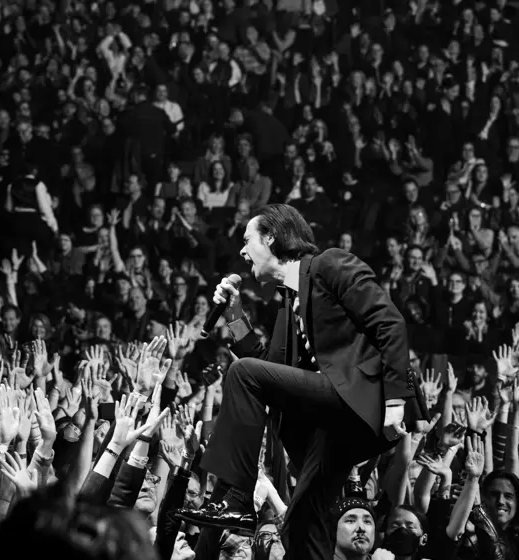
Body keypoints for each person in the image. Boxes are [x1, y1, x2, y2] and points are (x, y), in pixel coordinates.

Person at [176, 204, 412, 559]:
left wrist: (396, 401)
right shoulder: (288, 303)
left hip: (360, 402)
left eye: (247, 240)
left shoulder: (330, 264)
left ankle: (238, 497)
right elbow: (267, 368)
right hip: (330, 424)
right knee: (302, 522)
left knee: (241, 374)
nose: (242, 251)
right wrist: (235, 314)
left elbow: (389, 323)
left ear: (271, 238)